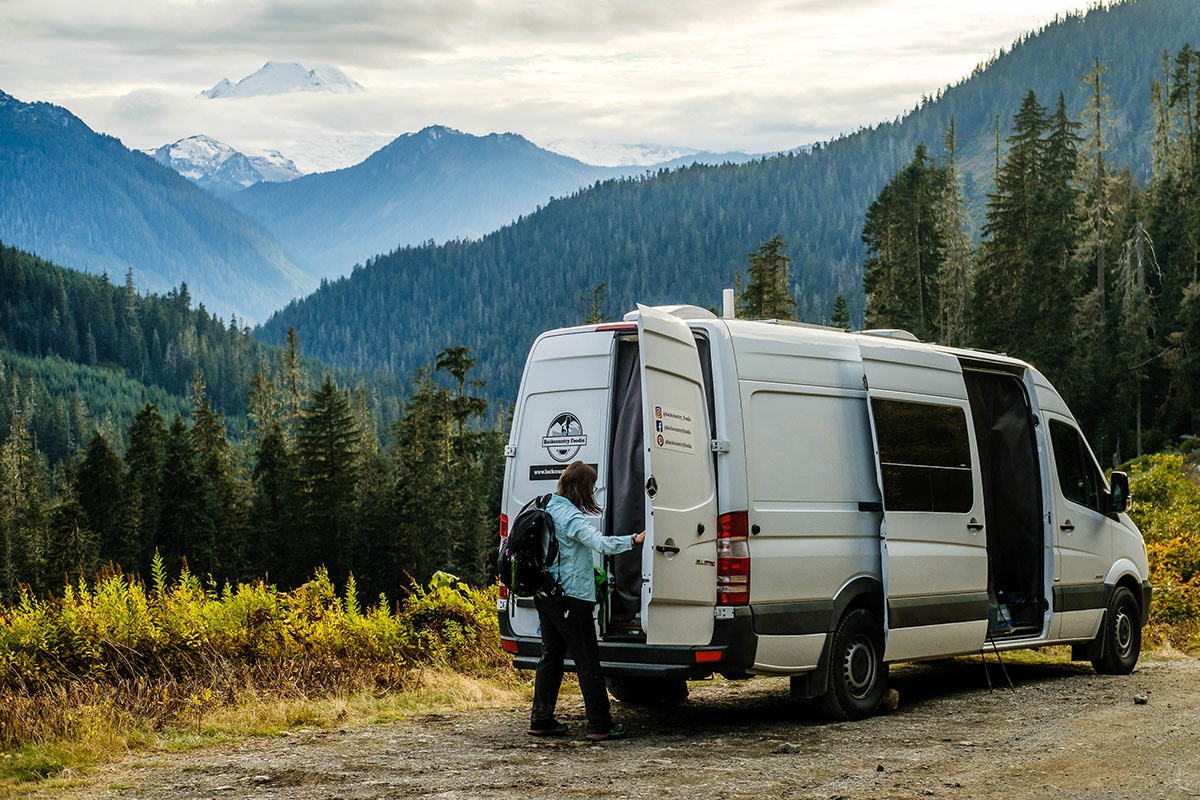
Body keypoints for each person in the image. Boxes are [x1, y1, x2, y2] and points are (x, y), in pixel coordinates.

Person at [529, 460, 646, 741]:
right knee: (588, 661)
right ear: (582, 487)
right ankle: (600, 725)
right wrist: (634, 540)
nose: (593, 491)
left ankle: (542, 719)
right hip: (571, 597)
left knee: (551, 658)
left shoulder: (547, 505)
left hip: (546, 595)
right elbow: (601, 543)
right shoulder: (571, 517)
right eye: (592, 487)